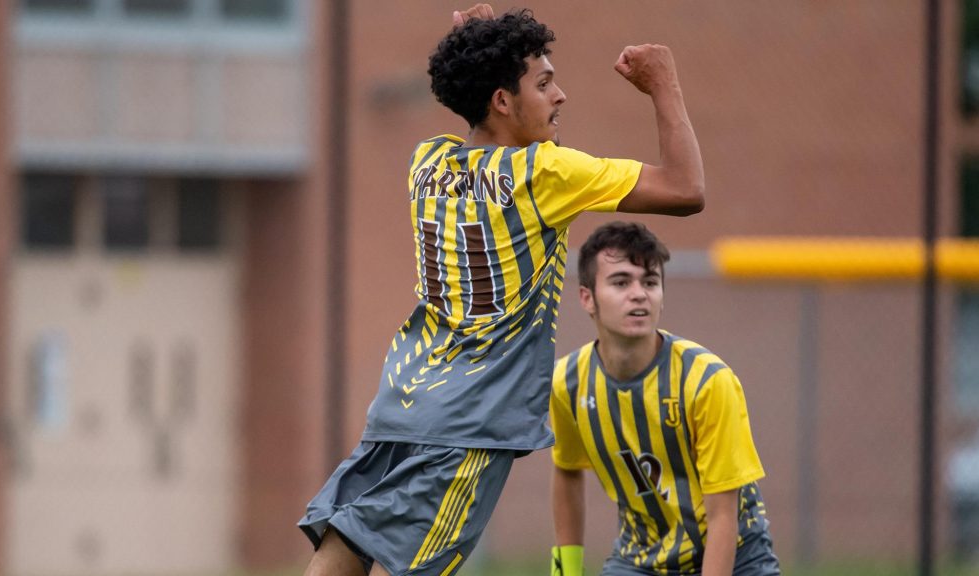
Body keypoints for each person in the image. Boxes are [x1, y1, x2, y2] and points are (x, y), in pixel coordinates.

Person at [300, 4, 706, 575]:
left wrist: (476, 43)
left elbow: (470, 105)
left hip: (402, 402)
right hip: (469, 420)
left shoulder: (428, 162)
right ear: (501, 100)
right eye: (543, 82)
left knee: (346, 542)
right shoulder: (545, 172)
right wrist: (664, 85)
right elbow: (686, 189)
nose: (559, 95)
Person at [549, 222, 780, 576]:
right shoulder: (568, 384)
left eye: (650, 282)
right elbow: (567, 472)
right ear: (587, 298)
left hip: (735, 557)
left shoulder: (706, 381)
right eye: (621, 282)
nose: (639, 294)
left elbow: (722, 517)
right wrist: (565, 571)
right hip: (639, 558)